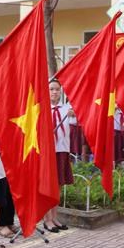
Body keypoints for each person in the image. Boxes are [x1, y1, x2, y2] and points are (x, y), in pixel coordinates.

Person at [44, 80, 71, 233]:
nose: (54, 92)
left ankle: (54, 216)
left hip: (62, 150)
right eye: (51, 89)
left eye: (57, 90)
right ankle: (47, 219)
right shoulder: (42, 109)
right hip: (48, 152)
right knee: (49, 185)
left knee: (58, 185)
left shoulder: (66, 109)